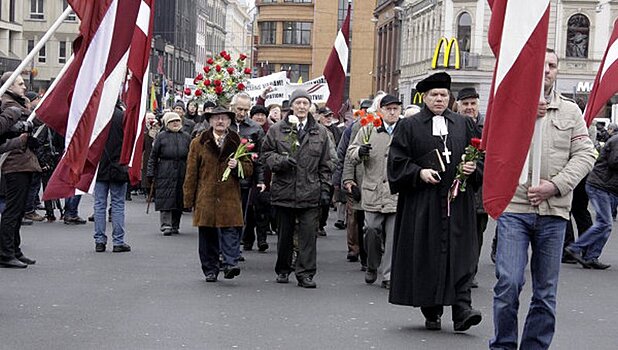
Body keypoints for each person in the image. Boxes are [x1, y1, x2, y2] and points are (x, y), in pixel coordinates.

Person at [490, 49, 596, 349]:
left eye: (552, 65)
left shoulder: (571, 111)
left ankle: (535, 346)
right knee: (508, 283)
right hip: (516, 207)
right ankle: (503, 345)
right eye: (542, 65)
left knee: (545, 291)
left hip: (554, 212)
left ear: (557, 70)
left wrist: (557, 185)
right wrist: (522, 117)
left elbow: (587, 153)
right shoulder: (508, 106)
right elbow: (493, 148)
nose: (546, 70)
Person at [387, 72, 482, 332]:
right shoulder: (410, 125)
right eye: (434, 95)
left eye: (443, 95)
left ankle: (462, 310)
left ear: (449, 97)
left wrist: (474, 168)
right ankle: (432, 309)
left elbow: (482, 156)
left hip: (457, 202)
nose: (439, 99)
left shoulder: (463, 124)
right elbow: (396, 162)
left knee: (461, 254)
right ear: (425, 98)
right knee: (428, 255)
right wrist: (418, 172)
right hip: (424, 203)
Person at [262, 88, 333, 288]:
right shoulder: (277, 130)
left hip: (310, 190)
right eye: (298, 103)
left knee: (308, 236)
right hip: (284, 190)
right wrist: (282, 161)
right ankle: (283, 269)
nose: (301, 107)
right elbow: (266, 154)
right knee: (284, 234)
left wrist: (325, 189)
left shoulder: (320, 131)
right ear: (291, 106)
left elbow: (326, 163)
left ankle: (306, 273)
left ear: (310, 106)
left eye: (305, 103)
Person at [183, 106, 252, 282]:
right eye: (216, 118)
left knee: (230, 230)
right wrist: (188, 199)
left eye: (223, 118)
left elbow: (249, 168)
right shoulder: (198, 142)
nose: (220, 121)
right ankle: (210, 269)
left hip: (229, 196)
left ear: (229, 121)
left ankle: (230, 264)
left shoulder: (237, 141)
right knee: (207, 234)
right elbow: (191, 173)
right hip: (206, 196)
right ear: (210, 121)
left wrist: (238, 167)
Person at [345, 94, 401, 289]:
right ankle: (371, 264)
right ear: (381, 111)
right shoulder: (368, 129)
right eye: (389, 109)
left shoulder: (405, 130)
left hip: (395, 193)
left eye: (396, 108)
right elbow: (351, 152)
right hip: (373, 191)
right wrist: (360, 152)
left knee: (393, 236)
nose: (392, 112)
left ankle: (389, 275)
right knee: (371, 230)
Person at [0, 72, 41, 268]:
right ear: (9, 86)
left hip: (22, 161)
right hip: (14, 162)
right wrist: (20, 135)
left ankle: (14, 249)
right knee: (13, 211)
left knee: (17, 211)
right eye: (20, 83)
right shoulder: (9, 105)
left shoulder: (18, 103)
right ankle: (6, 253)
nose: (24, 87)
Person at [564, 131, 618, 269]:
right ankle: (575, 248)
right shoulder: (616, 140)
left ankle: (591, 257)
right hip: (600, 185)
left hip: (607, 187)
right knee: (605, 223)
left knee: (606, 224)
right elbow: (614, 162)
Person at [457, 87, 486, 288]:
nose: (469, 108)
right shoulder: (452, 125)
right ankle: (457, 270)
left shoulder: (489, 127)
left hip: (481, 193)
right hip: (458, 192)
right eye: (465, 104)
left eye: (472, 104)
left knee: (477, 234)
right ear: (458, 106)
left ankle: (470, 271)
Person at [92, 100, 131, 253]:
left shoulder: (97, 117)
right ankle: (118, 241)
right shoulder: (122, 116)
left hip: (100, 165)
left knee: (99, 204)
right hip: (119, 166)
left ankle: (99, 241)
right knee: (118, 204)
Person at [147, 112, 192, 236]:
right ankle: (166, 225)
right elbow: (153, 156)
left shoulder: (186, 137)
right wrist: (150, 173)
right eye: (172, 121)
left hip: (182, 170)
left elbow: (191, 156)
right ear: (167, 124)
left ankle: (175, 225)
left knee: (179, 199)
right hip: (165, 171)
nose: (176, 123)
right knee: (166, 199)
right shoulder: (161, 136)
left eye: (177, 120)